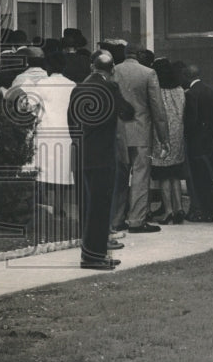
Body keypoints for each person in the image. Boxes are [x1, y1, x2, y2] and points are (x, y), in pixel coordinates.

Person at [69, 49, 134, 269]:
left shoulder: (78, 88)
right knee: (101, 207)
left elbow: (72, 123)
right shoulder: (110, 87)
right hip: (102, 156)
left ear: (92, 67)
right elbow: (128, 112)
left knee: (88, 207)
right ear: (112, 69)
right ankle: (94, 256)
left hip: (82, 153)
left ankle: (91, 252)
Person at [110, 40, 168, 234]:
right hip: (141, 132)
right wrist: (164, 137)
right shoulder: (148, 73)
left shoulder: (113, 71)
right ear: (140, 54)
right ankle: (136, 219)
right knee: (140, 177)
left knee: (119, 177)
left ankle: (116, 219)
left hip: (118, 132)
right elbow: (157, 109)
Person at [27, 51, 78, 241]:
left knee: (43, 171)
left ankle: (42, 208)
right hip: (65, 132)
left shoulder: (41, 85)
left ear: (47, 67)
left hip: (46, 131)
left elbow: (30, 105)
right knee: (62, 172)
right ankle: (58, 208)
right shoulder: (72, 85)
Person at [182, 64, 213, 222]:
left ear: (187, 76)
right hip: (209, 141)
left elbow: (191, 121)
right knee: (207, 178)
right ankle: (212, 209)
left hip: (196, 142)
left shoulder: (191, 94)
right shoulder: (211, 90)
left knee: (197, 179)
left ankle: (201, 210)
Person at [151, 58, 187, 224]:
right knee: (175, 174)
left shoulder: (158, 90)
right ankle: (179, 208)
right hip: (178, 134)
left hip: (162, 135)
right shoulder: (180, 89)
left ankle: (168, 211)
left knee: (164, 174)